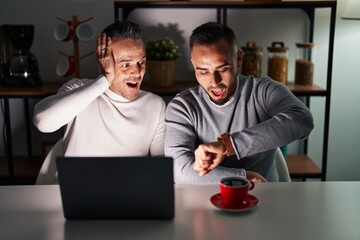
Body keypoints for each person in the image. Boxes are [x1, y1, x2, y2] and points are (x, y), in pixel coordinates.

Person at [165, 22, 314, 184]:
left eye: (222, 69)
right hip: (204, 202)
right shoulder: (182, 106)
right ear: (193, 65)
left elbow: (303, 121)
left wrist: (228, 144)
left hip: (265, 198)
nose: (214, 81)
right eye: (203, 71)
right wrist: (241, 177)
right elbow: (178, 170)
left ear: (238, 58)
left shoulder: (262, 91)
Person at [33, 21, 165, 157]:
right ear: (103, 61)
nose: (137, 73)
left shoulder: (155, 105)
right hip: (78, 178)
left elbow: (162, 166)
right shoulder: (78, 89)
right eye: (126, 64)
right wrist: (104, 80)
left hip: (130, 179)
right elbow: (42, 122)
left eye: (141, 62)